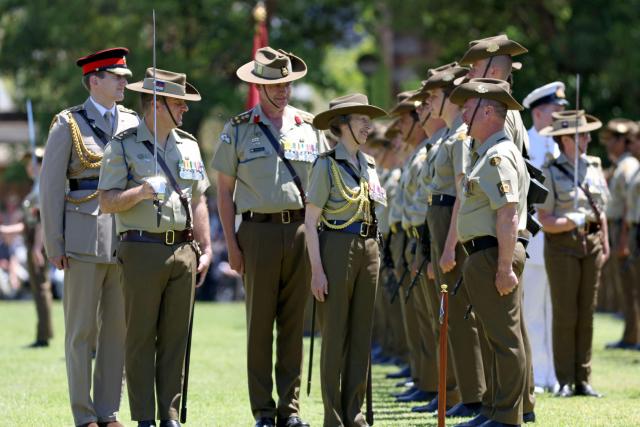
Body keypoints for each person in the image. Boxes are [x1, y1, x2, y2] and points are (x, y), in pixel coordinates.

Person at [212, 47, 326, 427]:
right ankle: (263, 410)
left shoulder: (310, 127)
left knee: (294, 326)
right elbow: (223, 194)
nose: (283, 91)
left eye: (288, 83)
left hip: (300, 232)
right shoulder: (238, 129)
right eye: (275, 84)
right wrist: (231, 244)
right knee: (260, 327)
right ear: (260, 85)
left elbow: (324, 185)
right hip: (256, 232)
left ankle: (289, 411)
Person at [98, 67, 211, 427]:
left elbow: (200, 201)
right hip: (141, 248)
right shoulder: (123, 145)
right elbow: (107, 201)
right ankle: (145, 416)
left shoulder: (189, 144)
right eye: (179, 103)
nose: (185, 110)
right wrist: (141, 192)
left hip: (182, 250)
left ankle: (171, 415)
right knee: (141, 337)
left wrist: (204, 248)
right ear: (158, 104)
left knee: (177, 338)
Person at [39, 47, 138, 427]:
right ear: (94, 80)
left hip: (124, 236)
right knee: (81, 332)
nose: (123, 83)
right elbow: (50, 186)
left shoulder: (131, 121)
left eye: (125, 78)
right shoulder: (69, 123)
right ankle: (84, 415)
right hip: (82, 237)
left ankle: (108, 412)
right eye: (116, 77)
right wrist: (54, 243)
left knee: (117, 331)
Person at [449, 78, 531, 427]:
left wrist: (503, 267)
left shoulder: (498, 155)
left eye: (468, 107)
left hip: (494, 253)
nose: (462, 113)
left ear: (486, 111)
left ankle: (507, 415)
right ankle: (494, 410)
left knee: (505, 340)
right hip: (483, 255)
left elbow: (508, 213)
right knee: (492, 337)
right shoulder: (486, 153)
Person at [304, 93, 386, 427]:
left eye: (369, 119)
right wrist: (317, 271)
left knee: (361, 333)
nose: (369, 126)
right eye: (361, 120)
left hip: (369, 247)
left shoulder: (370, 164)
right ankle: (333, 416)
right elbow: (310, 222)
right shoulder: (326, 165)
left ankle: (355, 412)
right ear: (343, 124)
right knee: (335, 334)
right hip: (336, 245)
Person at [417, 65, 487, 417]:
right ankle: (463, 390)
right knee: (448, 314)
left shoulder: (459, 137)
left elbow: (461, 192)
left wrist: (447, 246)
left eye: (433, 95)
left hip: (452, 223)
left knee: (459, 313)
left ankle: (472, 393)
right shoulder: (447, 136)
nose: (428, 101)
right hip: (439, 220)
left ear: (449, 97)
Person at [537, 110, 610, 398]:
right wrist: (572, 221)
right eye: (584, 134)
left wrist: (605, 242)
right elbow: (545, 219)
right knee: (566, 314)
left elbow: (600, 210)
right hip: (563, 247)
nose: (589, 138)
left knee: (587, 314)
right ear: (567, 138)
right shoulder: (550, 172)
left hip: (590, 246)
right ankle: (565, 379)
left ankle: (584, 378)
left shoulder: (593, 166)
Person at [520, 82, 568, 391]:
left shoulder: (564, 145)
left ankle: (558, 375)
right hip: (535, 240)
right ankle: (538, 375)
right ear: (539, 113)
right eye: (556, 111)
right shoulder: (525, 144)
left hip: (562, 242)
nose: (561, 116)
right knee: (533, 310)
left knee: (559, 311)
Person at [600, 119, 640, 349]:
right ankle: (630, 334)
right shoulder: (622, 164)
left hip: (624, 227)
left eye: (613, 140)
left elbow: (627, 204)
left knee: (630, 286)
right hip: (622, 227)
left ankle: (632, 335)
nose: (608, 145)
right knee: (627, 286)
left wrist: (623, 238)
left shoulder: (627, 166)